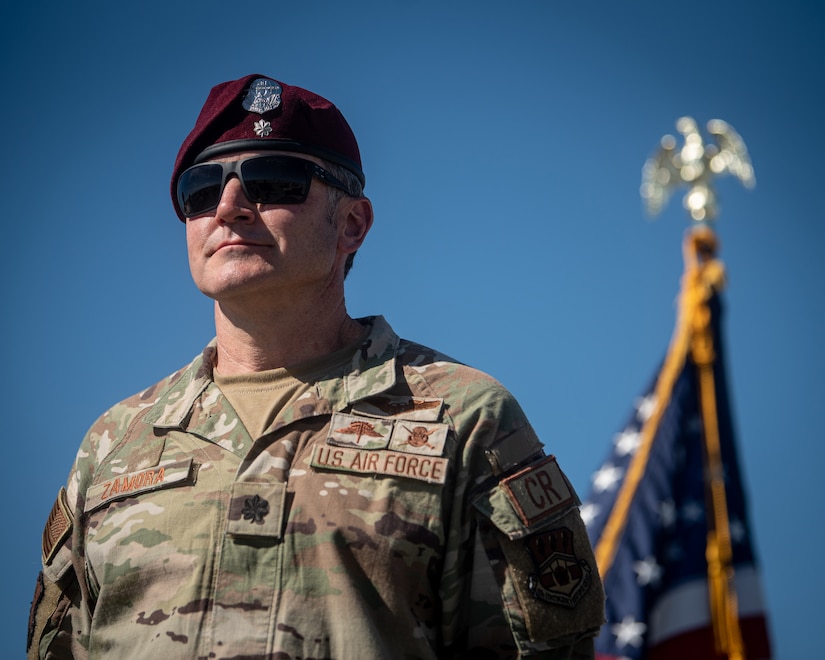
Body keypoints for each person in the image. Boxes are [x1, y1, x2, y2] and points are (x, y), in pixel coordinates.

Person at [28, 74, 604, 659]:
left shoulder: (464, 417)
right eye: (200, 190)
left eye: (272, 182)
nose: (228, 207)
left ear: (351, 224)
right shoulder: (113, 445)